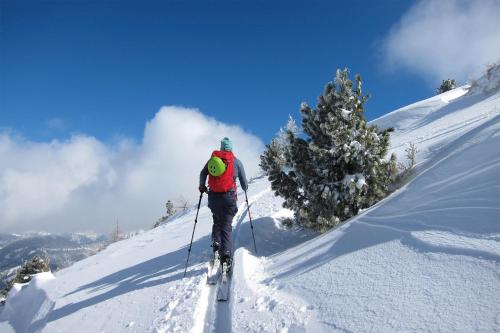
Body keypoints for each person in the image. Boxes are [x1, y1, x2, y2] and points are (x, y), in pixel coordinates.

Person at [199, 137, 248, 273]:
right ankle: (226, 257)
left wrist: (202, 186)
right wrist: (245, 188)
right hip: (228, 198)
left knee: (217, 220)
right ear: (231, 148)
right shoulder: (236, 162)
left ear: (221, 148)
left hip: (213, 198)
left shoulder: (212, 160)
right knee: (226, 226)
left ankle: (216, 246)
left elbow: (203, 173)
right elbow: (244, 181)